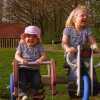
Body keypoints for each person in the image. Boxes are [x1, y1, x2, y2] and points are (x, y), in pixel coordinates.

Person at [62, 5, 99, 98]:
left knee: (90, 67)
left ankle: (94, 86)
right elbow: (64, 42)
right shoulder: (68, 30)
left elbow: (92, 41)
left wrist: (95, 47)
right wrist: (67, 48)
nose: (85, 17)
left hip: (83, 54)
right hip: (72, 55)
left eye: (86, 16)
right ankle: (73, 87)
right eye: (82, 15)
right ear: (74, 19)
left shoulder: (87, 30)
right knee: (76, 67)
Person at [14, 25, 47, 100]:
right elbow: (16, 55)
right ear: (24, 37)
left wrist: (40, 59)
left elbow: (44, 55)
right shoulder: (22, 45)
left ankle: (34, 93)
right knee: (22, 80)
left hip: (34, 69)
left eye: (34, 37)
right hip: (23, 68)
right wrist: (21, 60)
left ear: (38, 39)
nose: (31, 38)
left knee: (37, 81)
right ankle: (23, 94)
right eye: (28, 36)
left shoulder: (39, 46)